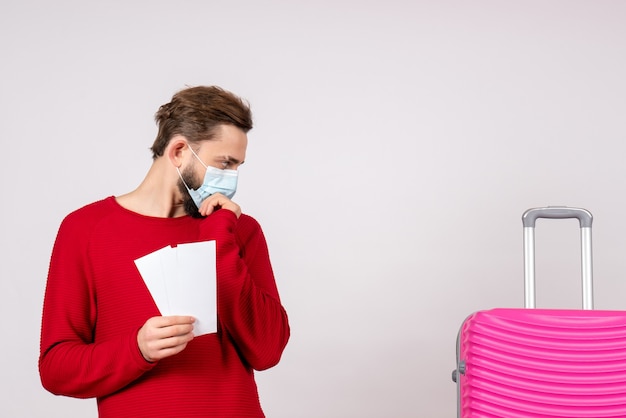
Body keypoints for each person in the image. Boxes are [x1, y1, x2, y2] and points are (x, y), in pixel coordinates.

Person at [39, 86, 290, 417]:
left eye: (238, 166)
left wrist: (219, 238)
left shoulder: (239, 229)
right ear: (179, 151)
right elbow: (56, 369)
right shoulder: (85, 229)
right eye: (225, 163)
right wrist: (137, 349)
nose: (232, 179)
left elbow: (268, 351)